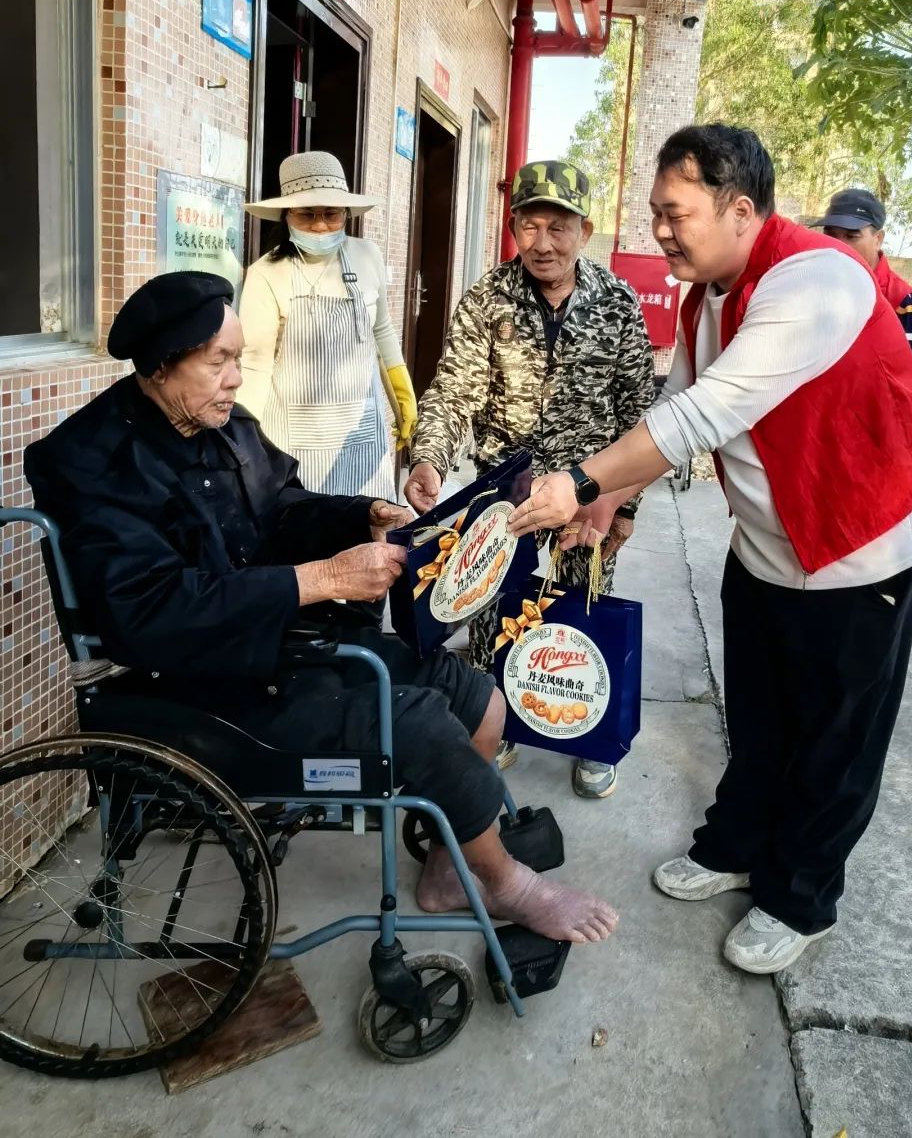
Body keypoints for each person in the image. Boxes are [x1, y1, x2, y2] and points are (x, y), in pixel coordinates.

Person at [23, 271, 617, 946]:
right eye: (219, 361)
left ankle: (454, 865)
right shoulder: (90, 461)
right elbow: (149, 612)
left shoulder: (222, 423)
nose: (236, 379)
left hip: (276, 644)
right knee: (419, 723)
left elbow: (284, 508)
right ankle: (505, 881)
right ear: (161, 367)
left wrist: (362, 515)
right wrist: (318, 580)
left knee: (477, 697)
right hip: (194, 687)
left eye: (238, 360)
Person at [508, 123, 912, 974]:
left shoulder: (817, 281)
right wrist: (613, 503)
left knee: (833, 737)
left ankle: (800, 897)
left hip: (860, 547)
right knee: (757, 716)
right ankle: (735, 845)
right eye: (655, 213)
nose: (660, 230)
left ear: (740, 209)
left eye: (676, 213)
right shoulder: (708, 288)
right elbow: (676, 396)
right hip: (769, 545)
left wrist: (581, 485)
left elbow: (705, 417)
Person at [404, 160, 654, 801]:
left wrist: (625, 508)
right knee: (493, 611)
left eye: (558, 226)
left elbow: (637, 417)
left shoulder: (618, 302)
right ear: (512, 226)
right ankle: (503, 721)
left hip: (585, 496)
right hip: (505, 495)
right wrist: (429, 456)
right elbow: (453, 390)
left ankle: (589, 737)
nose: (543, 243)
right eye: (529, 225)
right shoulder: (488, 298)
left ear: (584, 229)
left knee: (580, 610)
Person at [239, 151, 417, 502]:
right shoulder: (266, 273)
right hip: (294, 443)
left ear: (347, 214)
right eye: (307, 214)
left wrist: (401, 390)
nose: (320, 225)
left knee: (371, 532)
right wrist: (247, 441)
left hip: (363, 433)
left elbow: (380, 330)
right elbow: (254, 363)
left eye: (331, 214)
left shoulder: (367, 257)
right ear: (286, 216)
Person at [816, 187, 912, 380]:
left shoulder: (904, 304)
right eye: (831, 234)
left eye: (852, 236)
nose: (838, 245)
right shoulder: (815, 287)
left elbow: (910, 390)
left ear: (878, 239)